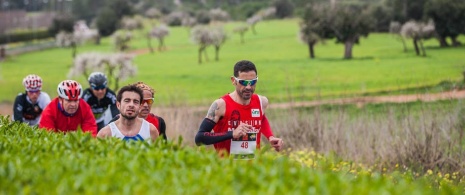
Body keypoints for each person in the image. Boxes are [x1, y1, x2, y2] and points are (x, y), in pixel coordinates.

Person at [195, 60, 284, 159]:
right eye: (243, 82)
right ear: (233, 80)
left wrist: (270, 137)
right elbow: (199, 138)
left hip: (254, 170)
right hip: (227, 170)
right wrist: (232, 134)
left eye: (253, 82)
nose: (248, 87)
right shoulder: (220, 105)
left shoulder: (261, 102)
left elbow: (261, 118)